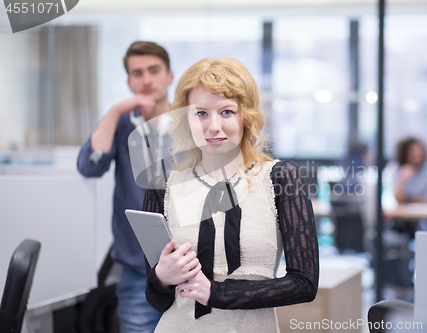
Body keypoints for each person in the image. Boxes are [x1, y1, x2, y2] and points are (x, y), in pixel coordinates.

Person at [142, 57, 319, 332]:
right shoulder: (162, 186)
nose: (213, 126)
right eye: (200, 113)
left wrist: (216, 294)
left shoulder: (281, 179)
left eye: (226, 112)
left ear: (245, 115)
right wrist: (161, 278)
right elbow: (157, 300)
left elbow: (304, 284)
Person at [77, 41, 174, 332]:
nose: (146, 79)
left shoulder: (193, 122)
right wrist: (116, 110)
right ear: (129, 81)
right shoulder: (120, 124)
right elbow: (89, 166)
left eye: (154, 70)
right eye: (137, 72)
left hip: (192, 266)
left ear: (169, 76)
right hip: (137, 270)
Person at [393, 137, 427, 204]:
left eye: (419, 150)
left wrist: (407, 201)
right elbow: (398, 199)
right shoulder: (400, 170)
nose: (417, 153)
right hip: (405, 213)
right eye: (412, 151)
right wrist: (402, 179)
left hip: (426, 212)